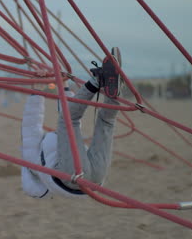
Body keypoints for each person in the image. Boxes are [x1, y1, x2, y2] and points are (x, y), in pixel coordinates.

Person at [21, 47, 122, 198]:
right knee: (67, 119)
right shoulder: (31, 154)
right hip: (71, 176)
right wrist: (38, 90)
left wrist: (62, 85)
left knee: (106, 122)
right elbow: (32, 122)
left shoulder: (43, 161)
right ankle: (98, 80)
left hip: (94, 181)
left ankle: (114, 87)